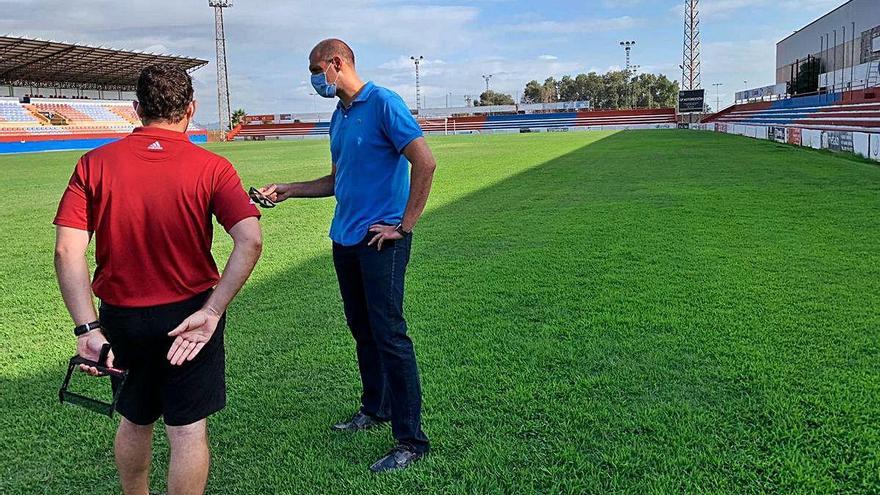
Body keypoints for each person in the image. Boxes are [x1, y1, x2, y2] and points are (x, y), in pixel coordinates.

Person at [53, 64, 263, 495]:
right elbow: (251, 242)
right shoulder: (213, 167)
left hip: (121, 318)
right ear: (191, 109)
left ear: (136, 109)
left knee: (135, 418)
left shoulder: (93, 164)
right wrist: (212, 310)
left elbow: (66, 250)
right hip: (190, 318)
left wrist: (88, 329)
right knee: (186, 432)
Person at [259, 38, 436, 472]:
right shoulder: (339, 116)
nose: (313, 80)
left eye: (315, 70)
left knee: (389, 333)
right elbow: (339, 181)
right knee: (362, 328)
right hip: (346, 238)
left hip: (382, 242)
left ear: (335, 64)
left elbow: (425, 162)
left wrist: (404, 226)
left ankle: (411, 440)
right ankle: (375, 409)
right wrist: (289, 191)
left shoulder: (384, 103)